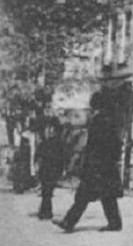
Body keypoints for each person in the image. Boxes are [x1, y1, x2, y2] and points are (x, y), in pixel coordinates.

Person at [55, 98, 123, 233]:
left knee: (83, 196)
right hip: (108, 166)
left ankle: (69, 222)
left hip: (96, 166)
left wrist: (87, 164)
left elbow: (93, 147)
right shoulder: (112, 121)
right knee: (108, 196)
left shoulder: (98, 121)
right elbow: (116, 145)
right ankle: (115, 223)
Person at [36, 118, 66, 220]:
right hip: (48, 168)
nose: (49, 131)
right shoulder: (49, 142)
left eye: (51, 129)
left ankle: (46, 212)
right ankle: (45, 211)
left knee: (47, 191)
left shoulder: (55, 143)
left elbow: (62, 157)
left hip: (51, 168)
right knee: (47, 191)